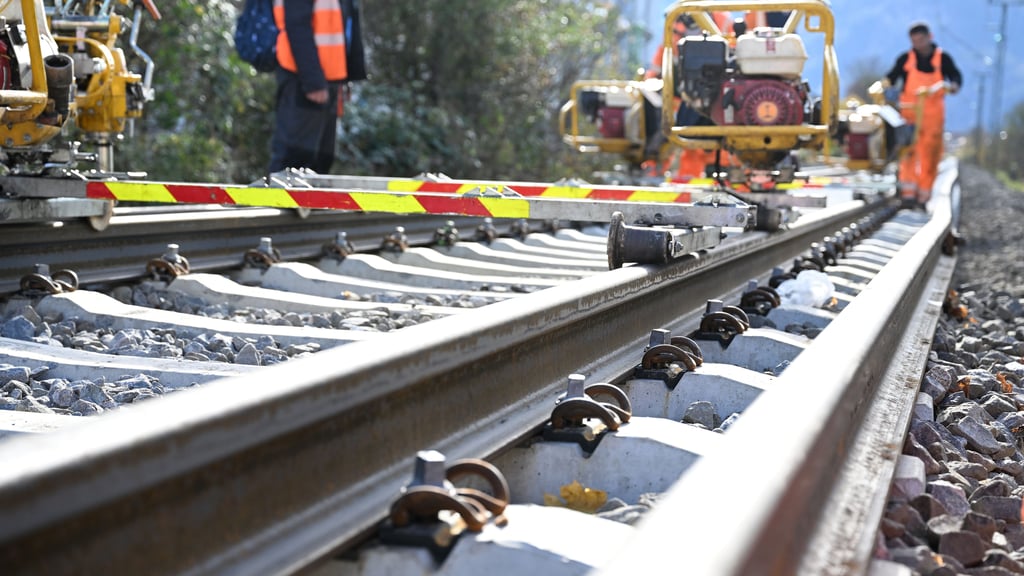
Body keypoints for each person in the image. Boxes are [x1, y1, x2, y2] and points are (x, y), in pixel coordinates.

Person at [269, 0, 363, 174]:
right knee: (293, 163)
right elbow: (297, 26)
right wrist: (313, 83)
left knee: (321, 160)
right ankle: (275, 202)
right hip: (303, 81)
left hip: (328, 81)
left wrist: (346, 76)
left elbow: (342, 24)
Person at [882, 21, 962, 209]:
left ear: (929, 37)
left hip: (932, 120)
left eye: (921, 39)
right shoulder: (905, 59)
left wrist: (953, 86)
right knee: (908, 155)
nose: (918, 44)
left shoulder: (943, 59)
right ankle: (908, 195)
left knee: (930, 157)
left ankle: (923, 196)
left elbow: (956, 77)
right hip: (909, 116)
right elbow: (890, 78)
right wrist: (886, 89)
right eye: (914, 40)